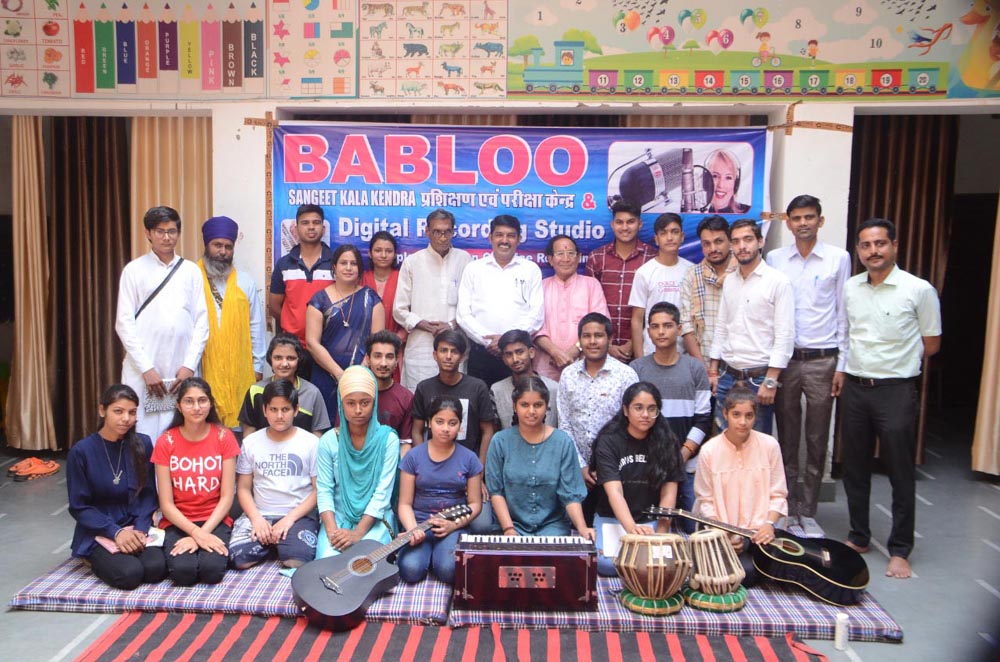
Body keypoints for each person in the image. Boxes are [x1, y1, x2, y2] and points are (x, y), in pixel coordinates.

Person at [837, 218, 941, 580]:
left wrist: (897, 366)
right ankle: (859, 536)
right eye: (866, 245)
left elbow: (931, 343)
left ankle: (900, 549)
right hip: (855, 387)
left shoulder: (918, 290)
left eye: (880, 243)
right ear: (858, 250)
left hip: (896, 390)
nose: (873, 251)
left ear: (894, 245)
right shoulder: (851, 287)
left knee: (899, 471)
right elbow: (847, 334)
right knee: (855, 468)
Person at [765, 195, 850, 538]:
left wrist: (842, 364)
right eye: (797, 218)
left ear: (820, 220)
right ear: (788, 223)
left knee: (816, 437)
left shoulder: (838, 259)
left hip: (822, 360)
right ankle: (786, 509)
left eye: (809, 217)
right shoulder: (775, 259)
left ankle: (810, 512)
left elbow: (843, 312)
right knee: (786, 437)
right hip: (786, 361)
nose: (803, 223)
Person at [115, 206, 209, 440]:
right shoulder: (134, 270)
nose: (166, 237)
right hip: (144, 367)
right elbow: (123, 323)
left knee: (178, 428)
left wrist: (189, 366)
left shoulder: (191, 271)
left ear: (179, 233)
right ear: (148, 233)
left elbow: (202, 322)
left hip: (181, 367)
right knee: (141, 432)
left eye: (172, 231)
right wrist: (146, 368)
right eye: (160, 231)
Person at [66, 384, 165, 590]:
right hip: (99, 529)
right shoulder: (81, 451)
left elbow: (148, 494)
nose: (126, 418)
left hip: (135, 525)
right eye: (118, 411)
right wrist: (116, 532)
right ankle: (91, 557)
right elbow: (79, 506)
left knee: (156, 569)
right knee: (130, 574)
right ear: (102, 411)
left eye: (132, 412)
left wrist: (140, 528)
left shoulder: (143, 444)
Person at [694, 386, 788, 587]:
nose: (743, 422)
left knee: (774, 569)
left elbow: (778, 494)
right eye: (736, 414)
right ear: (725, 414)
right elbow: (705, 501)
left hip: (759, 533)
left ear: (755, 417)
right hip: (721, 531)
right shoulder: (709, 451)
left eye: (749, 416)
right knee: (740, 573)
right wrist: (722, 535)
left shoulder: (770, 445)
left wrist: (768, 525)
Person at [631, 302, 711, 533]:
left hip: (686, 463)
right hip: (647, 464)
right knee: (646, 528)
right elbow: (632, 420)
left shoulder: (695, 369)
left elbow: (704, 419)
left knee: (694, 529)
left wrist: (682, 455)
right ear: (648, 332)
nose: (661, 332)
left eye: (667, 326)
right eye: (655, 327)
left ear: (679, 328)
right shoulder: (637, 369)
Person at [151, 377, 240, 586]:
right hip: (178, 521)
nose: (196, 407)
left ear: (210, 403)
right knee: (183, 573)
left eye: (202, 400)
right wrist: (195, 533)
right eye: (189, 401)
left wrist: (202, 533)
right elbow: (166, 504)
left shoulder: (224, 437)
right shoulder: (166, 441)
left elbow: (227, 497)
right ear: (178, 406)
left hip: (215, 519)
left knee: (212, 571)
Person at [591, 382, 686, 575]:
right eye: (638, 408)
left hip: (650, 518)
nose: (645, 414)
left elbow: (669, 492)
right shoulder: (609, 440)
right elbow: (615, 492)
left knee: (662, 563)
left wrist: (661, 533)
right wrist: (632, 530)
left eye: (652, 409)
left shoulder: (668, 441)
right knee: (607, 564)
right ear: (626, 410)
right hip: (613, 517)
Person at [709, 219, 794, 434]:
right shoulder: (730, 281)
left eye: (748, 239)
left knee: (756, 444)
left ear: (760, 242)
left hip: (759, 379)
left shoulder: (778, 281)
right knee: (724, 440)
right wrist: (713, 370)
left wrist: (771, 380)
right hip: (727, 376)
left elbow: (784, 334)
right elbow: (722, 326)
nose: (742, 246)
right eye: (736, 241)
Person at [486, 376, 594, 539]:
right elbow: (496, 492)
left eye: (538, 405)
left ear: (547, 406)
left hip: (553, 526)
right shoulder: (500, 441)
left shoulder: (562, 442)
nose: (531, 411)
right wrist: (508, 529)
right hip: (511, 525)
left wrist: (582, 528)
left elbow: (570, 494)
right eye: (524, 405)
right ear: (514, 406)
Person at [229, 380, 319, 570]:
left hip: (297, 516)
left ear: (296, 410)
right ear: (264, 410)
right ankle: (273, 541)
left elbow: (317, 491)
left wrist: (289, 519)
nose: (279, 416)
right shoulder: (251, 442)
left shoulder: (311, 443)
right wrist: (256, 519)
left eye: (285, 409)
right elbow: (243, 489)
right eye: (273, 409)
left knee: (295, 561)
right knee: (240, 560)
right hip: (260, 513)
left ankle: (280, 543)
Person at [397, 396, 483, 583]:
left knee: (448, 570)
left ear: (460, 425)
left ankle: (438, 556)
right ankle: (427, 556)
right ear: (429, 422)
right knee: (410, 570)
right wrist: (413, 529)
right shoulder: (413, 457)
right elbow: (404, 503)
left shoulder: (469, 458)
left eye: (452, 423)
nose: (445, 428)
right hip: (419, 524)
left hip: (453, 524)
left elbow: (475, 503)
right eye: (439, 422)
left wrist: (454, 525)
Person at [315, 366, 400, 558]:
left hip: (375, 520)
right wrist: (332, 534)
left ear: (375, 402)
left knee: (367, 561)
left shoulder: (388, 440)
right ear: (341, 403)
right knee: (327, 561)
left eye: (365, 402)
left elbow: (382, 494)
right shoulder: (329, 441)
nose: (358, 410)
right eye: (350, 403)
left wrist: (358, 534)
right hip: (337, 519)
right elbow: (324, 490)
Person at [456, 214, 544, 386]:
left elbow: (536, 315)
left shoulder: (530, 270)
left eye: (510, 235)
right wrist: (489, 342)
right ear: (490, 237)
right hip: (482, 353)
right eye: (499, 235)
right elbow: (463, 315)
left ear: (519, 239)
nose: (504, 240)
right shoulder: (474, 269)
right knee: (481, 400)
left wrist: (507, 341)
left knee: (519, 399)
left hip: (517, 355)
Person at [197, 216, 266, 430]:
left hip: (239, 369)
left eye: (228, 246)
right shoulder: (191, 278)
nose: (223, 251)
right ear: (207, 246)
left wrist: (257, 366)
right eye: (217, 245)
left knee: (239, 426)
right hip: (201, 367)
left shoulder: (245, 282)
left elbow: (256, 325)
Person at [393, 208, 472, 390]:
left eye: (447, 232)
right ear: (427, 231)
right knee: (420, 399)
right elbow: (399, 309)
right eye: (437, 232)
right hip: (421, 348)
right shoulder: (413, 262)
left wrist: (451, 325)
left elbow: (472, 305)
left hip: (455, 346)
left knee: (456, 400)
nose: (442, 238)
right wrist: (423, 324)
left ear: (453, 232)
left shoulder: (464, 260)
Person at [557, 313, 639, 485]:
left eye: (599, 335)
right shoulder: (568, 375)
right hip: (575, 469)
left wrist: (608, 466)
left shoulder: (626, 375)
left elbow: (632, 424)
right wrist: (580, 466)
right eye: (586, 336)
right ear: (580, 341)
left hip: (617, 469)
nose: (592, 341)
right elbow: (565, 424)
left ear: (610, 339)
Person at [306, 244, 385, 420]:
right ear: (334, 267)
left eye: (353, 263)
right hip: (325, 374)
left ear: (360, 269)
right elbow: (312, 343)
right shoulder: (319, 300)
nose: (348, 268)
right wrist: (339, 374)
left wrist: (358, 373)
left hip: (361, 376)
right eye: (343, 263)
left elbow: (377, 344)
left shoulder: (371, 299)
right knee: (325, 426)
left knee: (359, 422)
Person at [585, 200, 657, 362]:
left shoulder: (652, 258)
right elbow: (589, 306)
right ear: (612, 225)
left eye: (630, 222)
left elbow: (655, 306)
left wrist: (634, 342)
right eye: (619, 222)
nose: (625, 228)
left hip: (642, 347)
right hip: (602, 348)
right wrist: (608, 345)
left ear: (640, 224)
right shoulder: (597, 257)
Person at [411, 329, 495, 465]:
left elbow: (488, 430)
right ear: (435, 355)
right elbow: (417, 431)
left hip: (468, 465)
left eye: (454, 351)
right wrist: (423, 463)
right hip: (433, 462)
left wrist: (480, 467)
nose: (448, 356)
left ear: (462, 357)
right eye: (443, 351)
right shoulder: (424, 388)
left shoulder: (477, 387)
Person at [532, 234, 610, 381]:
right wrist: (554, 352)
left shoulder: (591, 285)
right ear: (550, 259)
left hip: (584, 364)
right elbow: (534, 327)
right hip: (546, 366)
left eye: (571, 253)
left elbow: (600, 324)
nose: (566, 259)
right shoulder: (540, 287)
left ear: (579, 257)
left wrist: (573, 351)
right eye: (560, 254)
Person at [269, 204, 336, 353]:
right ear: (296, 229)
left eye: (316, 222)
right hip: (293, 347)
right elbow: (274, 307)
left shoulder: (335, 263)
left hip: (327, 346)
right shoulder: (284, 264)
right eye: (305, 223)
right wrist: (293, 325)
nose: (311, 227)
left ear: (323, 229)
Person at [238, 333, 331, 438]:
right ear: (270, 359)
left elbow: (318, 434)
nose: (284, 364)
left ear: (299, 359)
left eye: (290, 358)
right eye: (278, 358)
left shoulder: (312, 393)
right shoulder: (255, 391)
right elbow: (249, 433)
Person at [629, 213, 694, 359]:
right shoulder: (644, 273)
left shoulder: (691, 270)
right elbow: (637, 320)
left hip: (684, 354)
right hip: (651, 353)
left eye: (674, 232)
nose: (670, 238)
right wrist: (639, 360)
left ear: (682, 237)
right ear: (657, 239)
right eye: (664, 233)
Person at [680, 215, 738, 368]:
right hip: (704, 361)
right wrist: (704, 368)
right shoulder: (692, 275)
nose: (713, 249)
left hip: (741, 363)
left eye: (718, 241)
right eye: (707, 244)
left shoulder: (743, 272)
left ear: (730, 241)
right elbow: (686, 325)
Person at [491, 329, 559, 430]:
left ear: (531, 352)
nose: (515, 359)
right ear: (503, 359)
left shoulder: (553, 389)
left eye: (520, 352)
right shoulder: (497, 390)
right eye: (509, 354)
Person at [362, 231, 407, 382]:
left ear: (395, 255)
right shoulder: (361, 279)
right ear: (370, 253)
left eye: (388, 251)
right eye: (378, 250)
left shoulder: (403, 278)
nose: (383, 255)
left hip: (397, 348)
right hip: (365, 350)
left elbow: (414, 311)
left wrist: (396, 339)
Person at [365, 330, 414, 447]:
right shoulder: (353, 391)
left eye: (389, 357)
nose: (383, 363)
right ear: (368, 359)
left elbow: (405, 443)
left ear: (397, 360)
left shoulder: (406, 398)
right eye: (377, 356)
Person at [705, 149, 749, 215]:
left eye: (728, 177)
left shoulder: (748, 212)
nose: (721, 185)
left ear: (736, 184)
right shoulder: (701, 212)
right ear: (706, 181)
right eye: (715, 176)